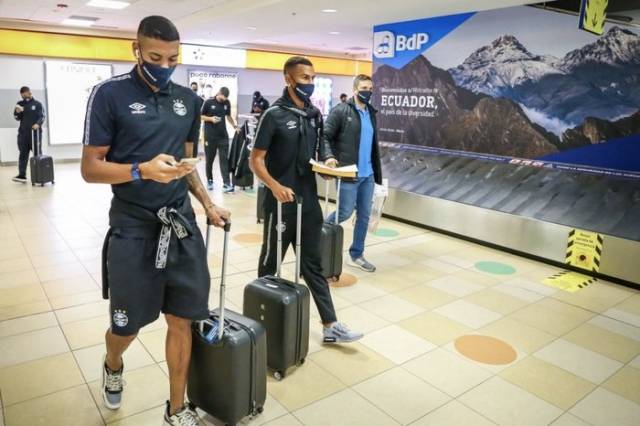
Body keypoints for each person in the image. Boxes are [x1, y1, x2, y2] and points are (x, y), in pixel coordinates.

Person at [81, 15, 230, 426]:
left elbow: (188, 165)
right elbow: (90, 169)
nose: (164, 66)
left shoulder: (188, 99)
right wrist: (140, 170)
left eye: (172, 59)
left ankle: (176, 409)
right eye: (155, 57)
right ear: (136, 50)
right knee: (126, 328)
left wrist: (207, 205)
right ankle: (113, 364)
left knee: (182, 318)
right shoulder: (108, 95)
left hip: (180, 226)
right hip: (133, 228)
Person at [250, 56, 363, 344]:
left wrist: (326, 165)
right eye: (304, 79)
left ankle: (330, 325)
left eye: (312, 79)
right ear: (288, 79)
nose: (309, 84)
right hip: (280, 203)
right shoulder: (274, 114)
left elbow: (315, 150)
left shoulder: (313, 114)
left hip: (308, 201)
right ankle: (258, 327)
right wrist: (274, 186)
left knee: (312, 264)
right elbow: (256, 160)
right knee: (270, 265)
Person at [322, 74, 382, 273]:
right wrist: (329, 156)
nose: (368, 91)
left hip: (368, 175)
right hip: (349, 172)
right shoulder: (341, 111)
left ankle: (356, 255)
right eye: (365, 88)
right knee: (345, 212)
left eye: (371, 88)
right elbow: (325, 136)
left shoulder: (371, 113)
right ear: (355, 89)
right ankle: (319, 233)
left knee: (364, 215)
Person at [201, 87, 238, 193]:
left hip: (223, 136)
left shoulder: (227, 103)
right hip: (210, 136)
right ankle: (210, 180)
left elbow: (228, 116)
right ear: (219, 93)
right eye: (222, 98)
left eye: (225, 98)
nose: (224, 100)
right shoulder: (208, 102)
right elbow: (200, 116)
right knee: (210, 160)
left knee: (224, 160)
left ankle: (226, 184)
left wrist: (235, 126)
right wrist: (211, 119)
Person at [12, 86, 45, 183]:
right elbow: (16, 117)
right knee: (23, 154)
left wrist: (37, 124)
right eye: (22, 95)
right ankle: (22, 175)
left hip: (34, 134)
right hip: (23, 134)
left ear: (29, 92)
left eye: (25, 94)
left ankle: (40, 174)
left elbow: (42, 116)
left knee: (37, 154)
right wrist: (17, 112)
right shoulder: (20, 104)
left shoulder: (37, 104)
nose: (23, 96)